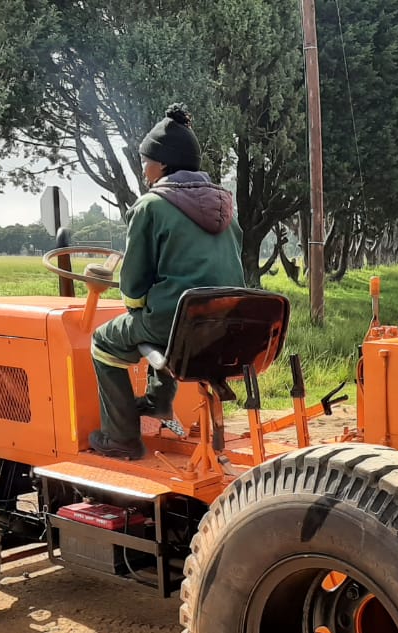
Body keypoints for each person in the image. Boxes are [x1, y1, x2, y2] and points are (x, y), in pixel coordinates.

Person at [88, 104, 245, 460]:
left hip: (176, 323)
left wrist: (135, 308)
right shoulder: (227, 210)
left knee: (104, 341)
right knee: (174, 321)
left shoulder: (151, 206)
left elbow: (132, 286)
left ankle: (121, 436)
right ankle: (158, 402)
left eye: (146, 162)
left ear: (163, 164)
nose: (144, 171)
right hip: (226, 323)